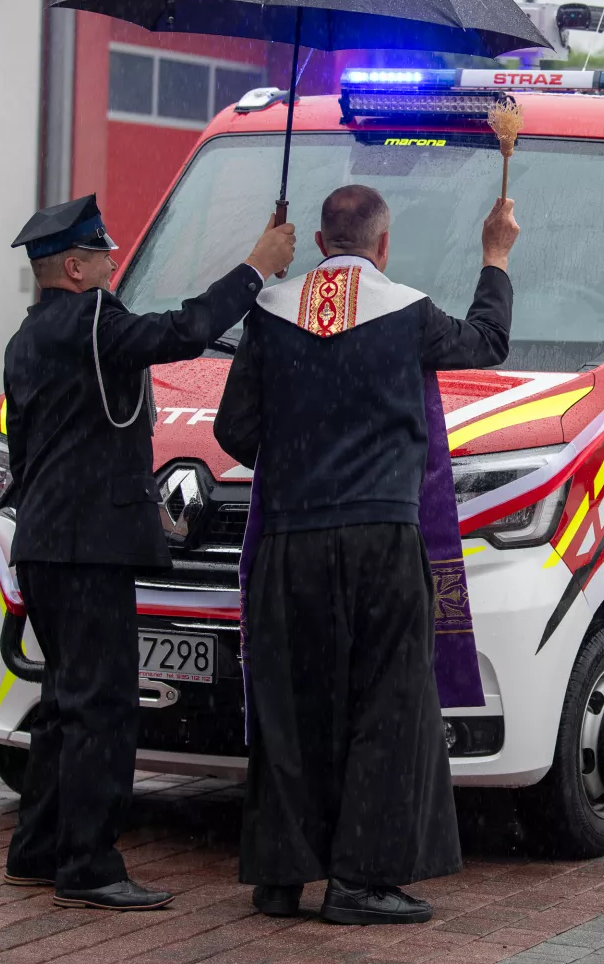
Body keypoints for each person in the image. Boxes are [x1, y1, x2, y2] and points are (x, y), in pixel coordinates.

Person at [215, 185, 518, 925]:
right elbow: (487, 344)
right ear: (383, 247)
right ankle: (361, 880)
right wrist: (495, 256)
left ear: (319, 242)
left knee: (292, 704)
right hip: (380, 536)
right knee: (384, 705)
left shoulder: (269, 313)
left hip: (290, 539)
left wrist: (296, 460)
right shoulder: (407, 312)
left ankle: (281, 877)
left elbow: (232, 430)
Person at [1, 194, 294, 911]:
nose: (113, 264)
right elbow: (186, 330)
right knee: (102, 707)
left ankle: (38, 848)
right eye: (103, 255)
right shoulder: (94, 319)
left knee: (63, 701)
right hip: (88, 547)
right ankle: (90, 866)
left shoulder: (28, 337)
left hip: (43, 542)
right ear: (74, 266)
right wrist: (256, 269)